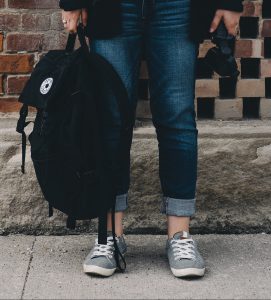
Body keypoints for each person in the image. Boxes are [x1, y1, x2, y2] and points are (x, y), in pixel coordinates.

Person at [59, 0, 243, 278]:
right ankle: (109, 235)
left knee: (177, 115)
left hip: (178, 6)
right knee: (112, 118)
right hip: (113, 5)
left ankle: (180, 236)